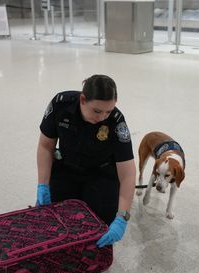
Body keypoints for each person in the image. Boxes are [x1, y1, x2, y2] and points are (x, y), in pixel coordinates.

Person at [36, 74, 136, 248]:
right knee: (54, 218)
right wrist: (42, 186)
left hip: (101, 173)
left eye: (108, 111)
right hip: (67, 168)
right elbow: (45, 146)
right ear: (83, 99)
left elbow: (128, 174)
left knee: (98, 224)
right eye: (97, 111)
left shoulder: (116, 121)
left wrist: (122, 217)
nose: (103, 117)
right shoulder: (61, 104)